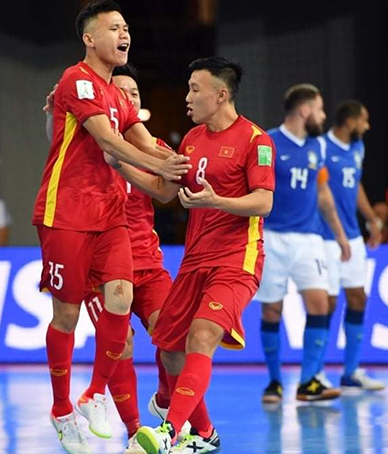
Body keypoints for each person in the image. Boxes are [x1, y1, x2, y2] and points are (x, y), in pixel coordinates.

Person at [31, 2, 190, 453]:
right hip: (65, 214)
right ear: (89, 37)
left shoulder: (121, 97)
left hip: (109, 216)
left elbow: (148, 145)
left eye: (127, 28)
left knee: (120, 297)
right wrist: (166, 168)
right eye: (115, 28)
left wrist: (187, 166)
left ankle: (95, 393)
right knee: (66, 315)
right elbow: (109, 141)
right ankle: (62, 410)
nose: (125, 35)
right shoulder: (76, 80)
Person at [106, 56, 275, 454]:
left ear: (220, 94)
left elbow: (264, 202)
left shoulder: (256, 140)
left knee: (202, 336)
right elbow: (165, 192)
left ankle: (169, 430)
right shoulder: (193, 140)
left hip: (238, 259)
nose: (187, 97)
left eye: (194, 89)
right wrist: (120, 163)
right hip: (194, 261)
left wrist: (218, 200)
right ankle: (205, 434)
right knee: (169, 350)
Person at [255, 84, 350, 405]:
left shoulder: (317, 147)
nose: (323, 116)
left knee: (320, 304)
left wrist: (339, 234)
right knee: (272, 309)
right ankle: (274, 382)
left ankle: (309, 381)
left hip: (309, 239)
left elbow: (323, 193)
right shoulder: (267, 142)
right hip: (273, 237)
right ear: (304, 111)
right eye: (320, 109)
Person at [316, 99, 385, 391]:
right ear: (349, 121)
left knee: (358, 298)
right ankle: (316, 373)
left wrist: (372, 220)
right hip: (326, 238)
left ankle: (351, 372)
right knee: (327, 304)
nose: (367, 127)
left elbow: (355, 185)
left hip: (354, 237)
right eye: (363, 120)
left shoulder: (358, 148)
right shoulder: (320, 147)